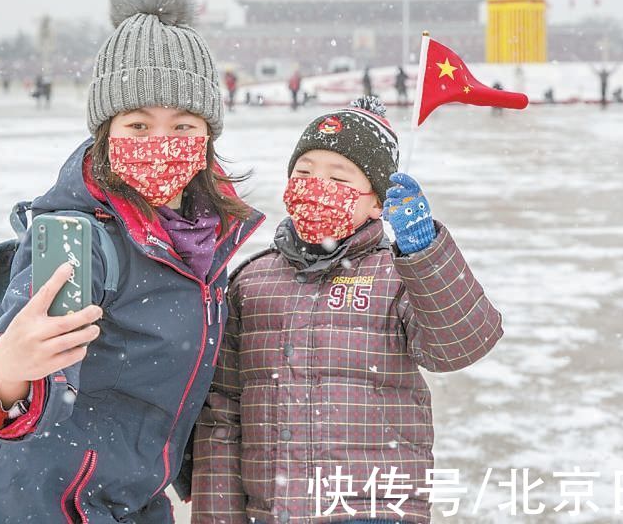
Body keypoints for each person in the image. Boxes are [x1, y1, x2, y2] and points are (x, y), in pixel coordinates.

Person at [0, 0, 264, 524]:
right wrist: (6, 371)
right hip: (20, 501)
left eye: (184, 126)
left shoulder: (204, 241)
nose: (161, 144)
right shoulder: (79, 238)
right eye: (138, 126)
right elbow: (16, 375)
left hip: (122, 497)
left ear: (208, 136)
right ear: (105, 135)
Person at [191, 97, 503, 524]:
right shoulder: (251, 281)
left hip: (374, 510)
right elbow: (222, 415)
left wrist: (425, 252)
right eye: (304, 172)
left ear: (378, 202)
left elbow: (459, 345)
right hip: (274, 512)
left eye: (338, 176)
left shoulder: (399, 273)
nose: (316, 186)